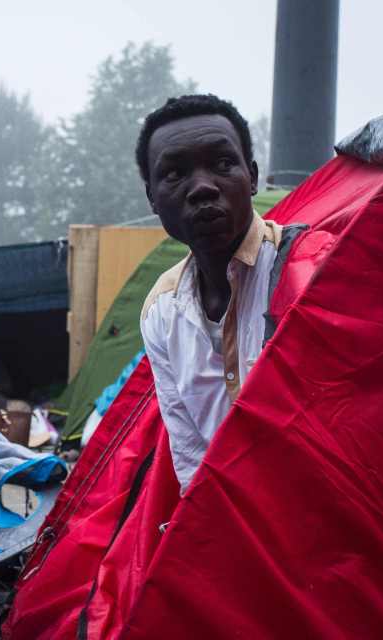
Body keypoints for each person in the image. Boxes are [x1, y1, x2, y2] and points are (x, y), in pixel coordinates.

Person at [137, 94, 290, 492]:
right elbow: (190, 456)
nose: (203, 187)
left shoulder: (305, 270)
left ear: (252, 177)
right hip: (235, 528)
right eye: (174, 174)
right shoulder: (161, 311)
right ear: (152, 198)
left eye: (223, 164)